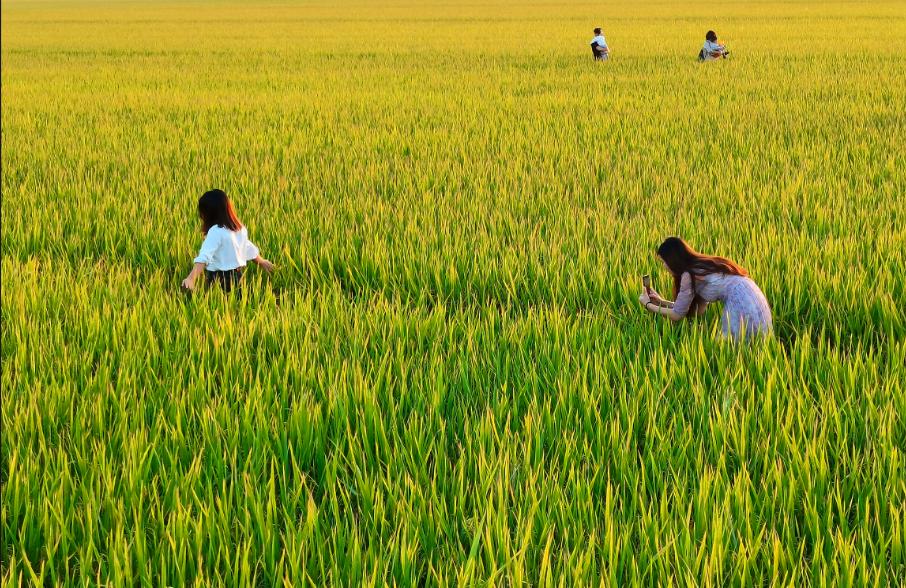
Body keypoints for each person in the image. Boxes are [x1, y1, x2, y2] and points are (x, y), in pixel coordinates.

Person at [638, 237, 772, 341]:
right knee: (752, 344)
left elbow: (677, 315)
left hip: (740, 301)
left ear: (673, 260)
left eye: (664, 262)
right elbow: (696, 311)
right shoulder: (700, 265)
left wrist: (648, 304)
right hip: (751, 293)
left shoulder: (688, 275)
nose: (664, 267)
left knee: (732, 348)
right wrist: (660, 301)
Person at [181, 189, 275, 293]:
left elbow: (204, 257)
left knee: (218, 306)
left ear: (209, 213)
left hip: (218, 279)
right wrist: (261, 261)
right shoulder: (239, 228)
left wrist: (191, 278)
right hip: (238, 277)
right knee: (236, 305)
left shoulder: (216, 231)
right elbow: (246, 247)